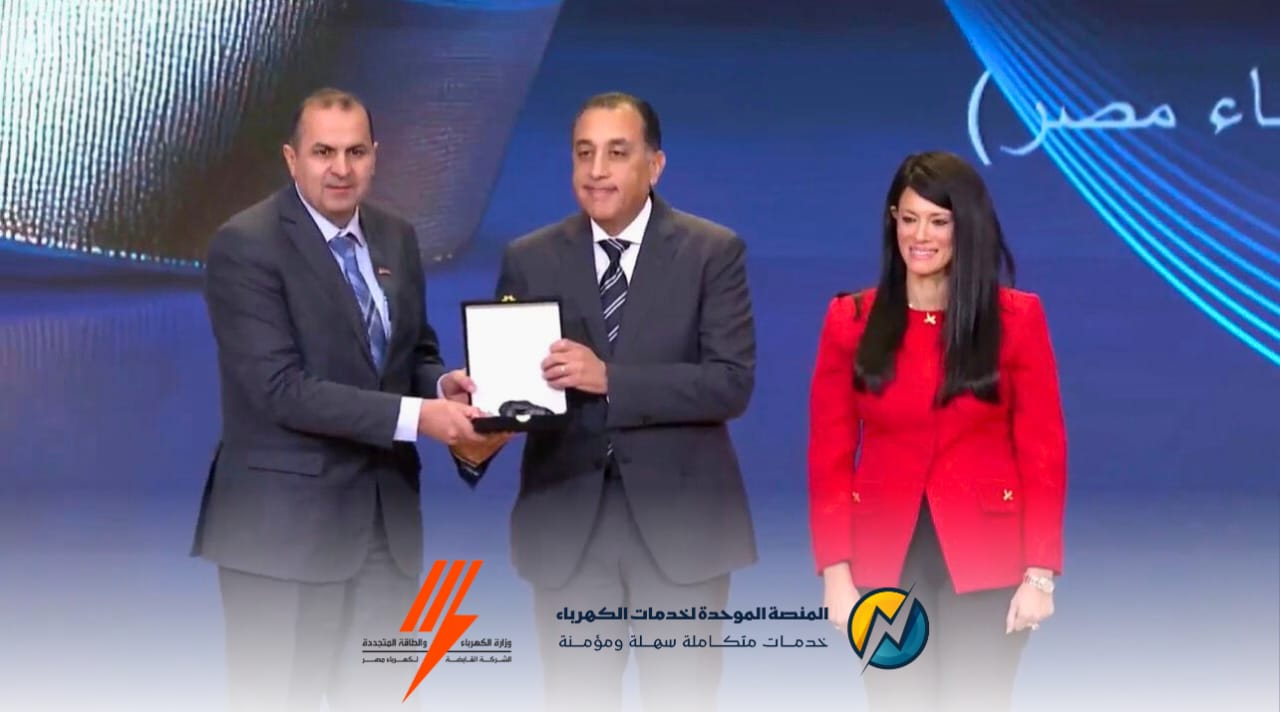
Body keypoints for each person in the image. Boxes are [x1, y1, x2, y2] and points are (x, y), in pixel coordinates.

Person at [191, 87, 498, 712]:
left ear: (375, 156)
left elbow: (411, 353)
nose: (341, 168)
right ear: (291, 158)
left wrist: (443, 385)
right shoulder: (245, 245)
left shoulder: (396, 237)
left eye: (356, 152)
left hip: (385, 535)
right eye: (323, 152)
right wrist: (422, 417)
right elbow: (282, 391)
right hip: (282, 540)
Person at [458, 92, 758, 712]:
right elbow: (516, 389)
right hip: (568, 533)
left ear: (655, 164)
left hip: (681, 535)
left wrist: (610, 378)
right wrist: (483, 409)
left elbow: (730, 383)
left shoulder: (712, 251)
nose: (597, 171)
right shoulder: (530, 257)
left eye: (617, 153)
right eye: (584, 153)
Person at [807, 151, 1067, 712]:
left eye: (937, 221)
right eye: (909, 219)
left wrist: (1040, 575)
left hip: (989, 558)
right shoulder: (850, 320)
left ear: (964, 228)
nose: (920, 236)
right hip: (883, 562)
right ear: (892, 223)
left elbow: (1043, 453)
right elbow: (829, 455)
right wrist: (836, 573)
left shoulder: (1017, 320)